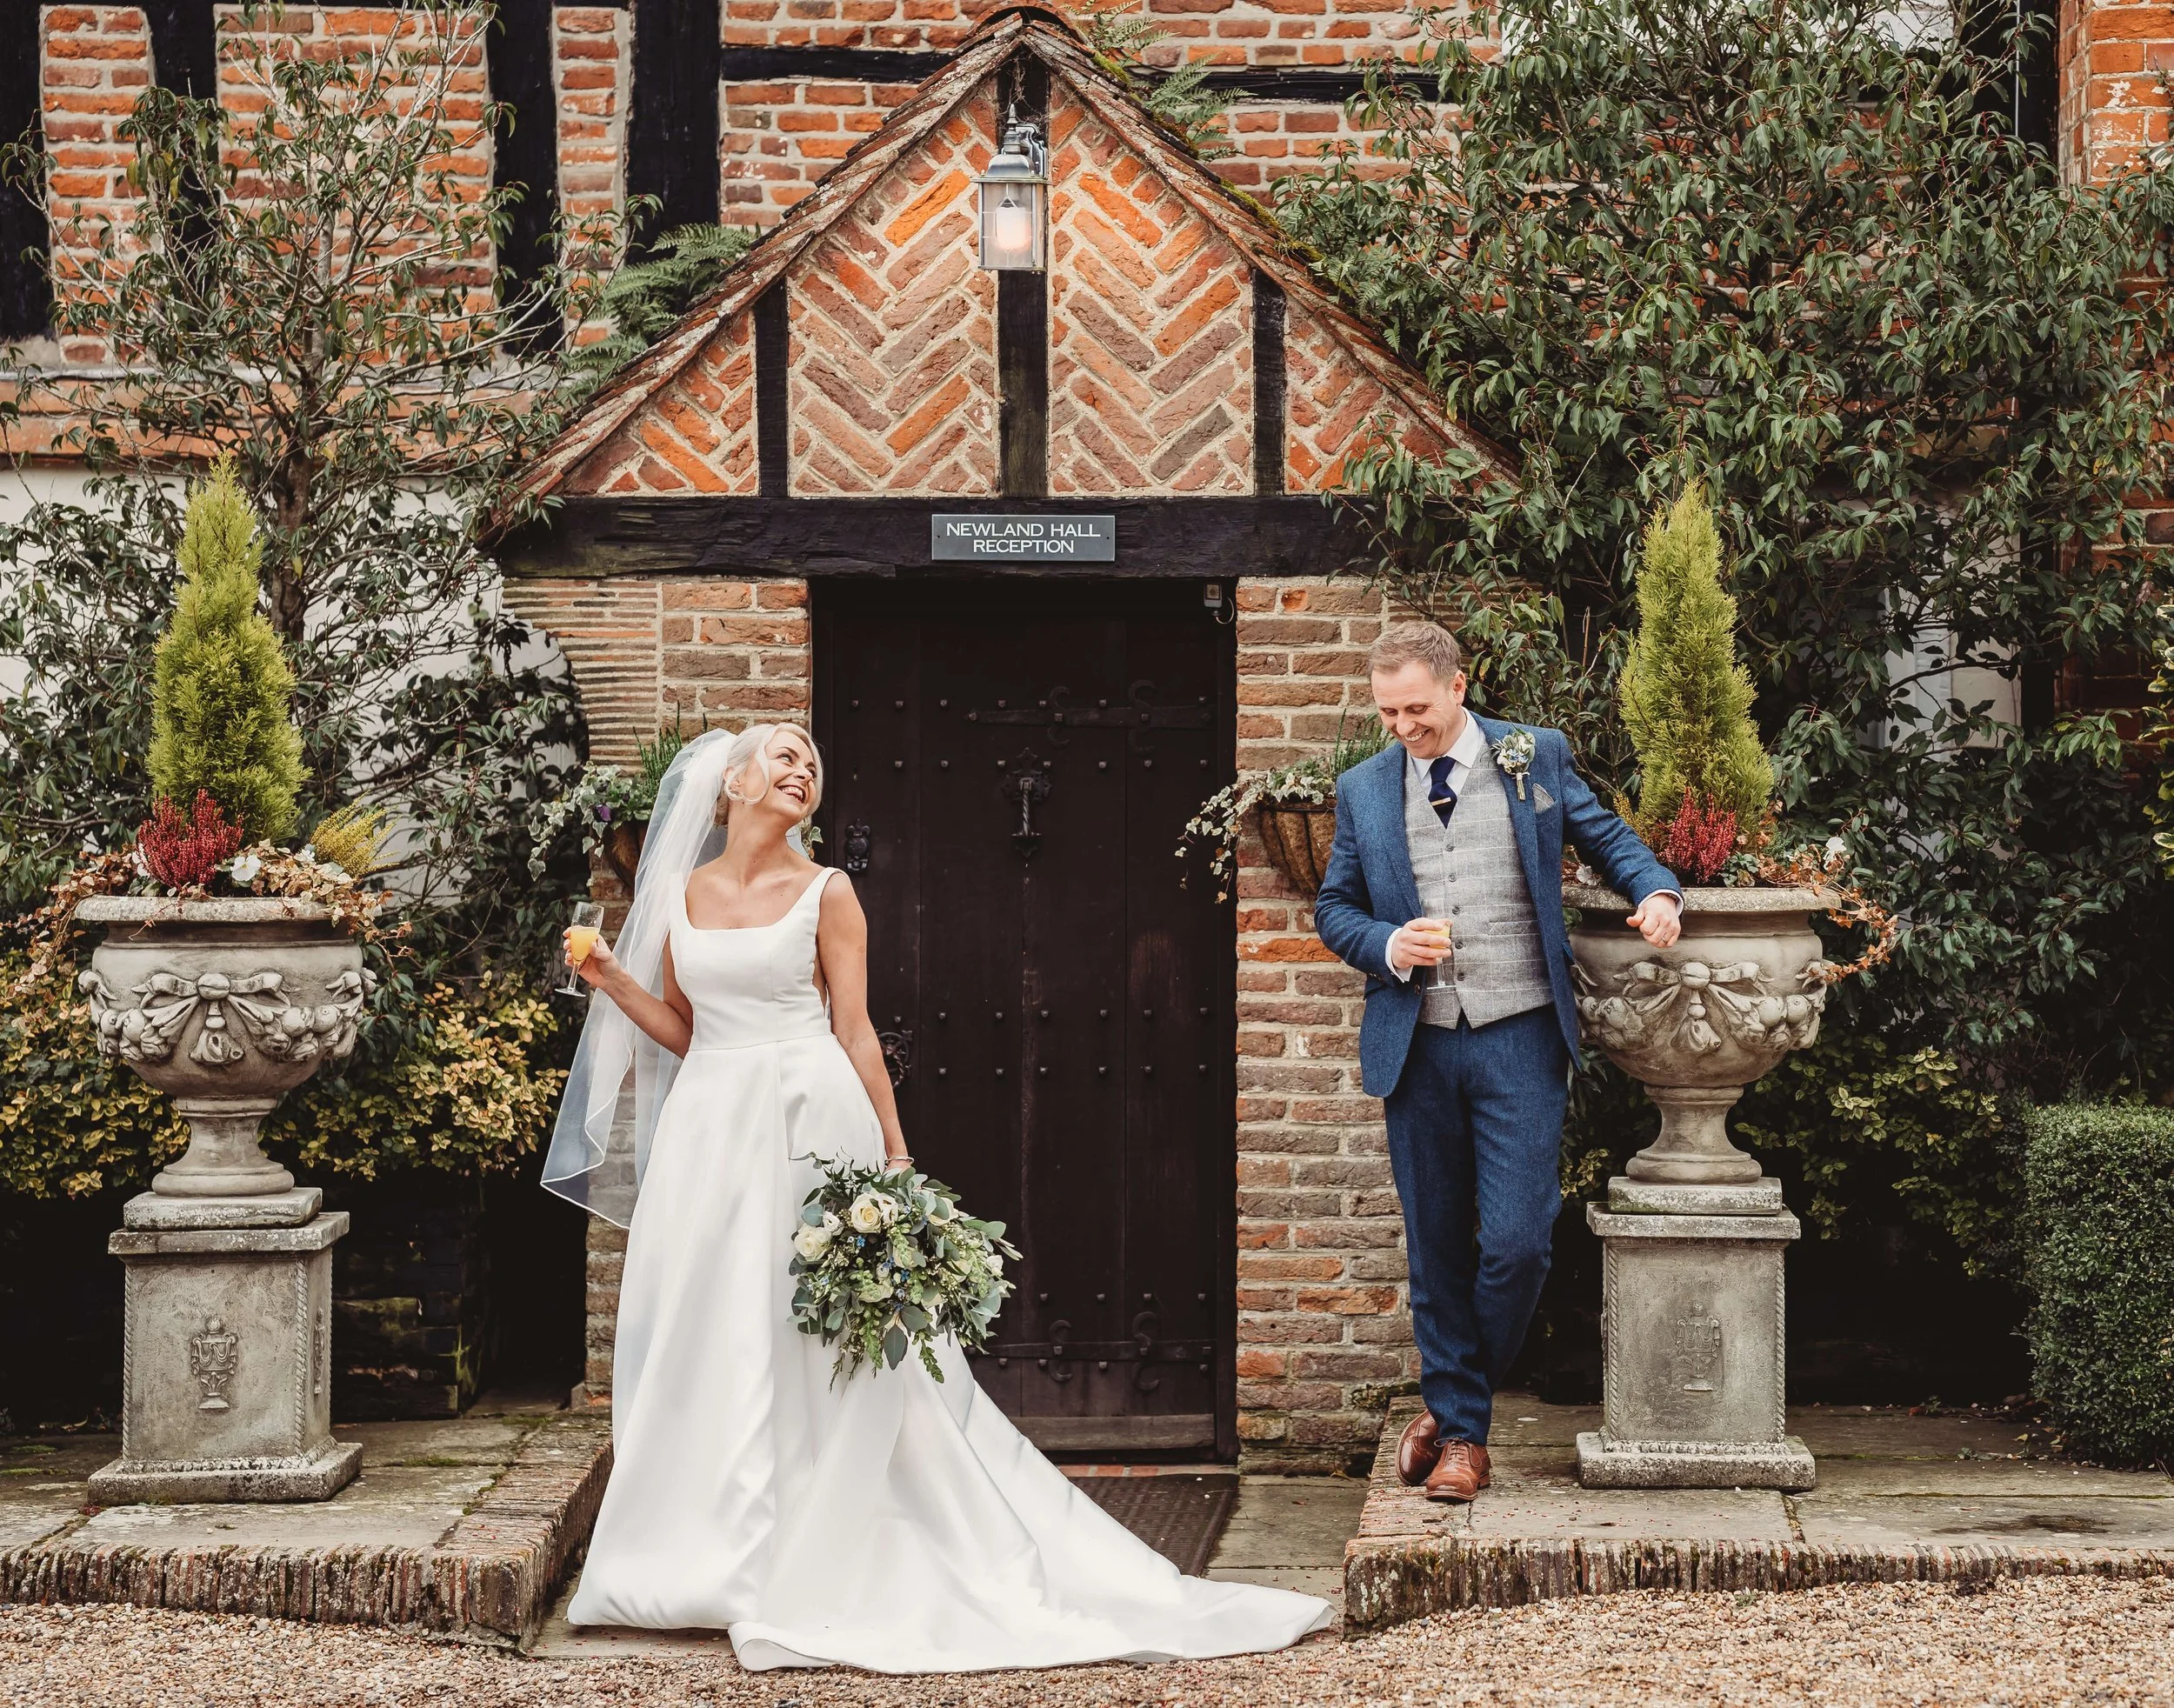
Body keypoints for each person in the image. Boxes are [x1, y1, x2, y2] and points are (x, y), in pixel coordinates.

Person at [541, 722, 1330, 1672]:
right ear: (731, 783)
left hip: (808, 1117)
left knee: (816, 1331)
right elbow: (684, 1028)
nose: (801, 770)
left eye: (813, 764)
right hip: (710, 1125)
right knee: (709, 1322)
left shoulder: (828, 891)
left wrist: (896, 1154)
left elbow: (856, 1029)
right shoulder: (679, 894)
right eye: (783, 757)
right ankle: (704, 1552)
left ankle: (825, 1539)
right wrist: (611, 975)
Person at [1314, 624, 1682, 1505]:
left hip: (1519, 1031)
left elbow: (1607, 838)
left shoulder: (1532, 757)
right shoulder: (1363, 788)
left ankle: (1449, 1405)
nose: (1401, 726)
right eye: (1386, 711)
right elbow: (1335, 907)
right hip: (1419, 1040)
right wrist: (1387, 941)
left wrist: (1657, 891)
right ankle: (1466, 1437)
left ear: (1456, 687)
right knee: (1436, 1246)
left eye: (1415, 708)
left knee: (1517, 1244)